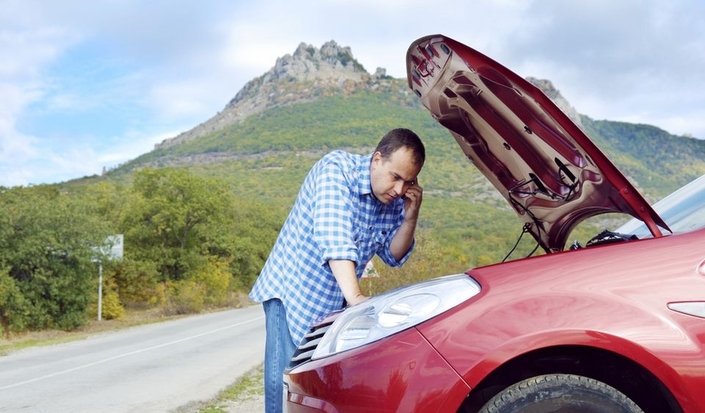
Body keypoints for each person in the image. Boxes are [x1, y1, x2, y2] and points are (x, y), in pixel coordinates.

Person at [249, 127, 426, 413]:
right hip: (292, 294)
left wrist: (410, 216)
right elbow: (336, 239)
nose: (399, 190)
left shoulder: (393, 200)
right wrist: (357, 300)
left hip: (332, 306)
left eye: (408, 182)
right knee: (285, 390)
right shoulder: (335, 170)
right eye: (395, 177)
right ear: (377, 160)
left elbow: (393, 256)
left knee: (312, 392)